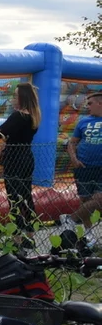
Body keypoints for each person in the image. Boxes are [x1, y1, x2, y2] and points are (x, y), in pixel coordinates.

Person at [0, 83, 40, 240]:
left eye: (15, 96)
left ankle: (17, 236)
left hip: (14, 159)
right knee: (26, 195)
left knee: (14, 198)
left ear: (22, 98)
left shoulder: (18, 115)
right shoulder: (34, 116)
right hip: (27, 157)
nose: (13, 99)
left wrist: (1, 134)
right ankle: (31, 233)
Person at [62, 92, 102, 240]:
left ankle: (70, 219)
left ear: (100, 103)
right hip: (84, 167)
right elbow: (72, 142)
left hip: (100, 168)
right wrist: (73, 158)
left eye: (90, 103)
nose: (87, 106)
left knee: (99, 200)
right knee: (85, 200)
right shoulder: (83, 122)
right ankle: (88, 234)